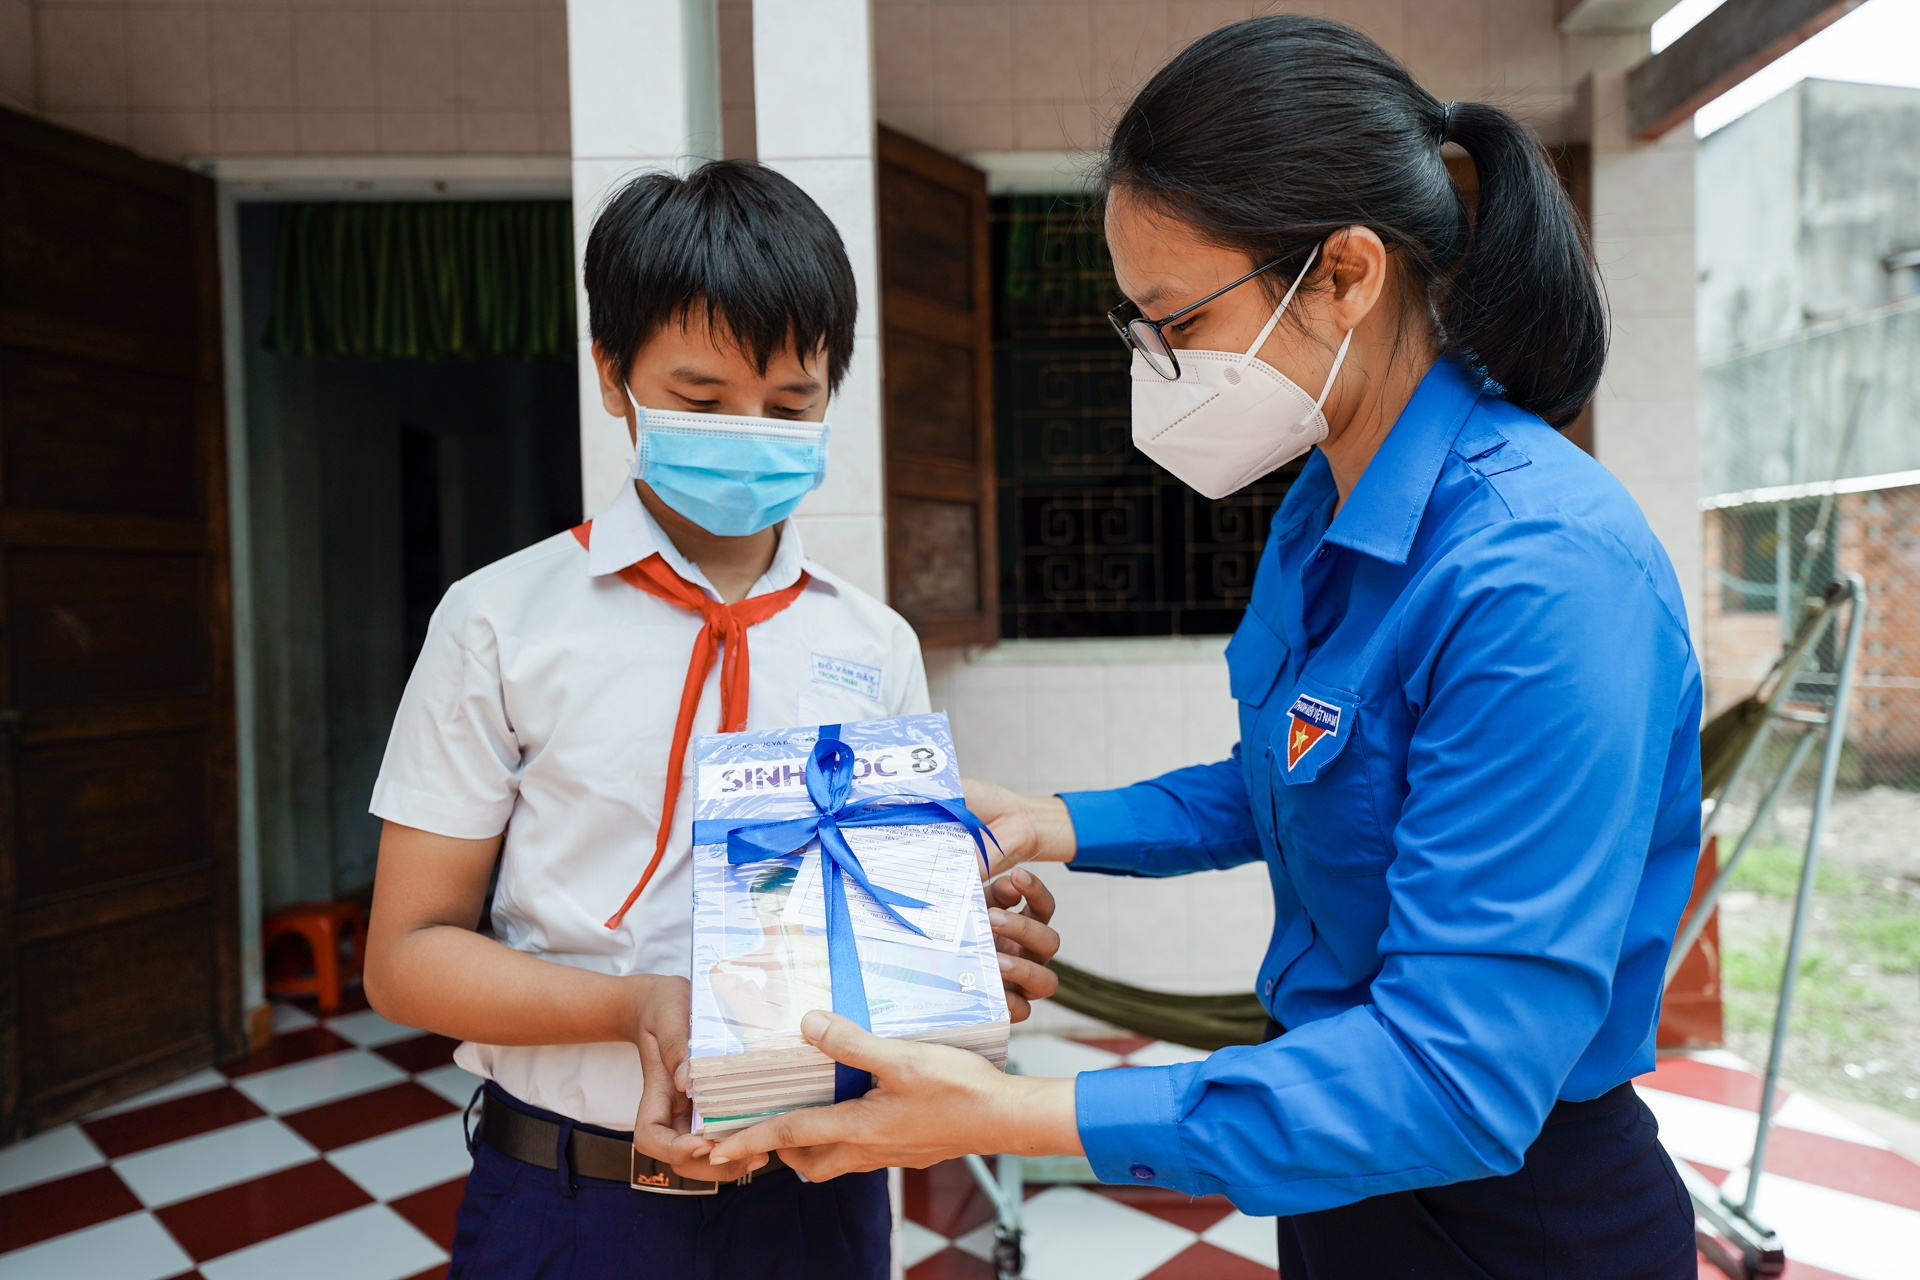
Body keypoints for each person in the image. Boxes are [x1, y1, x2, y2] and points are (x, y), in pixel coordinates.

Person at [710, 17, 1703, 1279]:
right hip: (1344, 1174)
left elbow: (1455, 1078)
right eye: (1139, 327)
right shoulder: (1325, 505)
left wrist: (1010, 1110)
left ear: (1345, 274)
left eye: (1177, 319)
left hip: (1513, 1212)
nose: (1159, 367)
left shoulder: (1540, 574)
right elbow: (1297, 774)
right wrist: (1052, 819)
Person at [360, 160, 1060, 1280]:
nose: (750, 432)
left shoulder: (871, 641)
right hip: (574, 1198)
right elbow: (404, 959)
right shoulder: (499, 620)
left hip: (819, 1196)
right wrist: (637, 1005)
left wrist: (956, 959)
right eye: (700, 399)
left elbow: (873, 932)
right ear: (612, 374)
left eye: (790, 405)